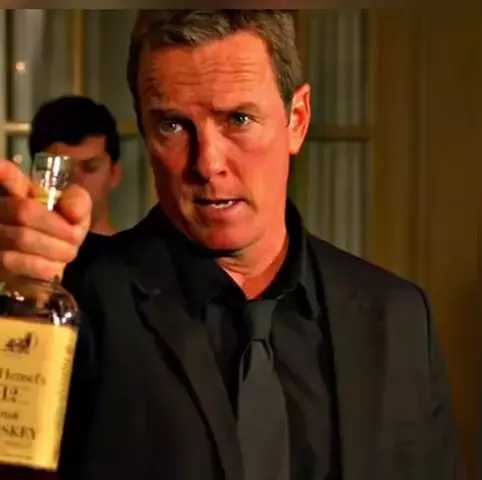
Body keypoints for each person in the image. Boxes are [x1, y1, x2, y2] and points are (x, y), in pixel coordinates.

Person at [0, 10, 463, 480]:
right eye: (173, 126)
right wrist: (18, 296)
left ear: (297, 119)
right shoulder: (77, 299)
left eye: (239, 119)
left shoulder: (398, 317)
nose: (208, 164)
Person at [28, 95, 122, 236]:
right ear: (37, 176)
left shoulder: (140, 250)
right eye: (61, 170)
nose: (76, 184)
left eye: (90, 168)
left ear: (114, 174)